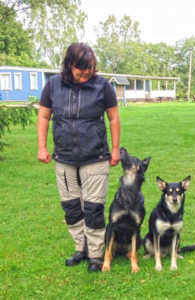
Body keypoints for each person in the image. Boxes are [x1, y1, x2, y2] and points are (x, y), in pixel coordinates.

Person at [37, 42, 120, 272]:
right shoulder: (53, 85)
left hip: (95, 156)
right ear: (69, 65)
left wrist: (115, 150)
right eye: (80, 70)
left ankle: (95, 254)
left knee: (93, 207)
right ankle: (80, 248)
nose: (86, 74)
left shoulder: (102, 86)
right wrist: (42, 147)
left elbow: (114, 118)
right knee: (72, 207)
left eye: (90, 69)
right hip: (63, 158)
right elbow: (44, 116)